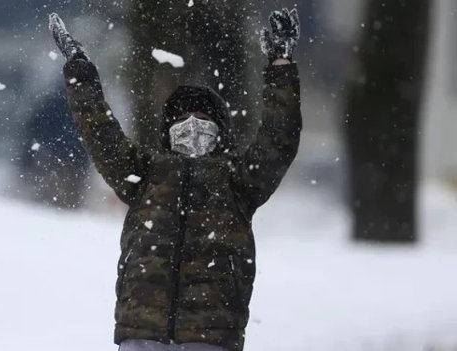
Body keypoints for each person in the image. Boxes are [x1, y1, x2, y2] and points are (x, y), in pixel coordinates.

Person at [49, 8, 302, 351]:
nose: (192, 123)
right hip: (142, 330)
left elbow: (279, 138)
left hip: (210, 333)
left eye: (202, 116)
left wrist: (281, 67)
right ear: (167, 131)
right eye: (182, 117)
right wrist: (80, 71)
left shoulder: (238, 181)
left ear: (221, 131)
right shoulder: (144, 173)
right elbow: (100, 133)